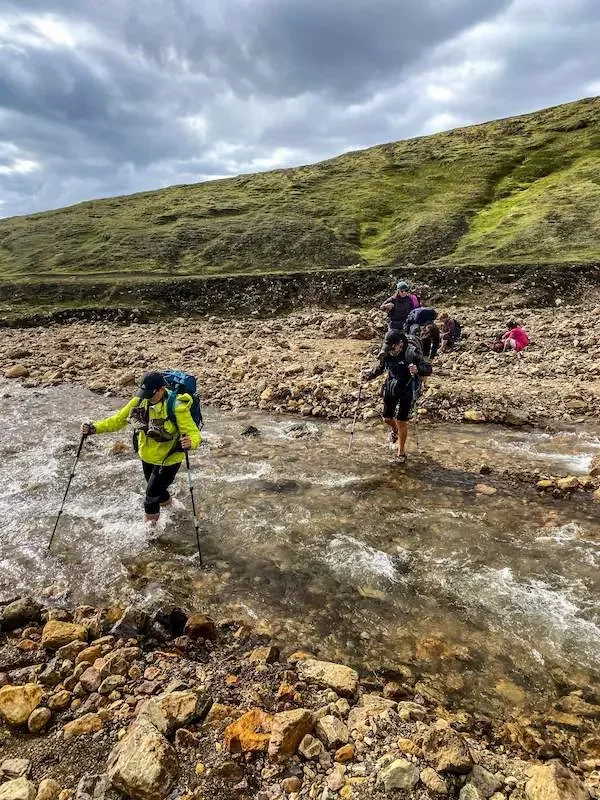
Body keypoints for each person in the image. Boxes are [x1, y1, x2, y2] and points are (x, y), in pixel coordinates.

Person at [81, 371, 201, 525]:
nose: (146, 398)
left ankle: (150, 535)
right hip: (147, 456)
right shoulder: (139, 401)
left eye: (150, 394)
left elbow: (194, 433)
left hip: (169, 459)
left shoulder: (177, 406)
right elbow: (117, 420)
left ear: (161, 389)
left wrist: (191, 442)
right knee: (158, 492)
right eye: (144, 393)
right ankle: (174, 509)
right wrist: (93, 428)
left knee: (150, 497)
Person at [363, 330, 432, 463]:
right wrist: (368, 375)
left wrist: (418, 369)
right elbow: (381, 367)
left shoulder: (411, 352)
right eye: (389, 348)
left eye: (393, 348)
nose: (391, 351)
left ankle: (401, 452)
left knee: (401, 420)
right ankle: (394, 429)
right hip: (392, 384)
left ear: (400, 343)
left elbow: (428, 368)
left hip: (408, 386)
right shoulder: (386, 351)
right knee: (386, 418)